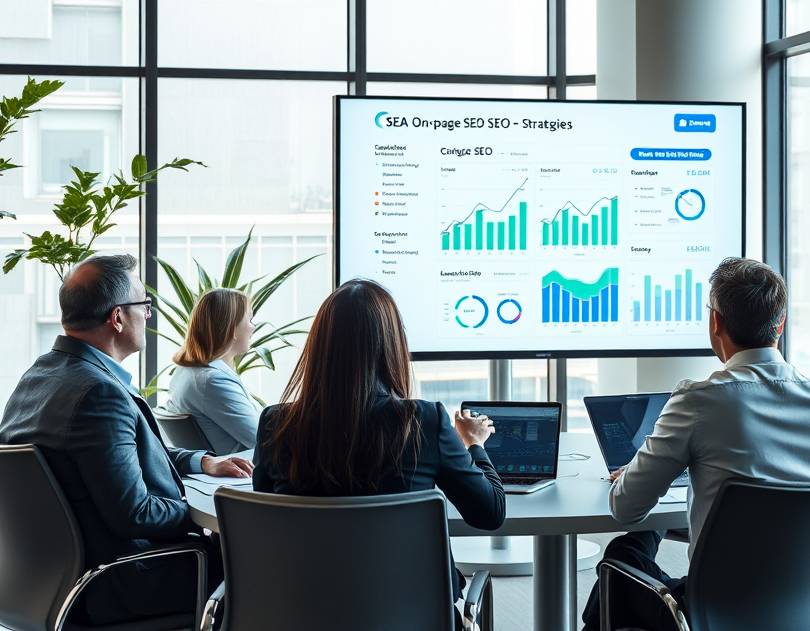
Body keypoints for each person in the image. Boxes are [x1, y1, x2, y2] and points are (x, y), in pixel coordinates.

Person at [581, 257, 810, 631]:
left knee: (620, 557)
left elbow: (625, 508)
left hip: (718, 612)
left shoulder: (699, 400)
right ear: (780, 324)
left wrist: (649, 470)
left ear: (716, 323)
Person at [0, 254, 251, 625]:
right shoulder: (98, 394)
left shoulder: (39, 377)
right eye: (143, 305)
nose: (148, 315)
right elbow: (136, 513)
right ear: (117, 317)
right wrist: (205, 512)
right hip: (123, 582)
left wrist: (202, 462)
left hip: (41, 584)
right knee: (262, 568)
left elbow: (120, 457)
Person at [252, 278, 505, 616]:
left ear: (319, 346)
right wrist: (474, 444)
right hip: (410, 614)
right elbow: (490, 514)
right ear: (391, 344)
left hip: (302, 611)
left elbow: (265, 519)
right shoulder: (424, 421)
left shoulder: (276, 423)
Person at [165, 288, 261, 454]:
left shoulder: (185, 372)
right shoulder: (212, 380)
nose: (253, 328)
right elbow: (263, 439)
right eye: (250, 319)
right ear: (232, 326)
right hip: (245, 473)